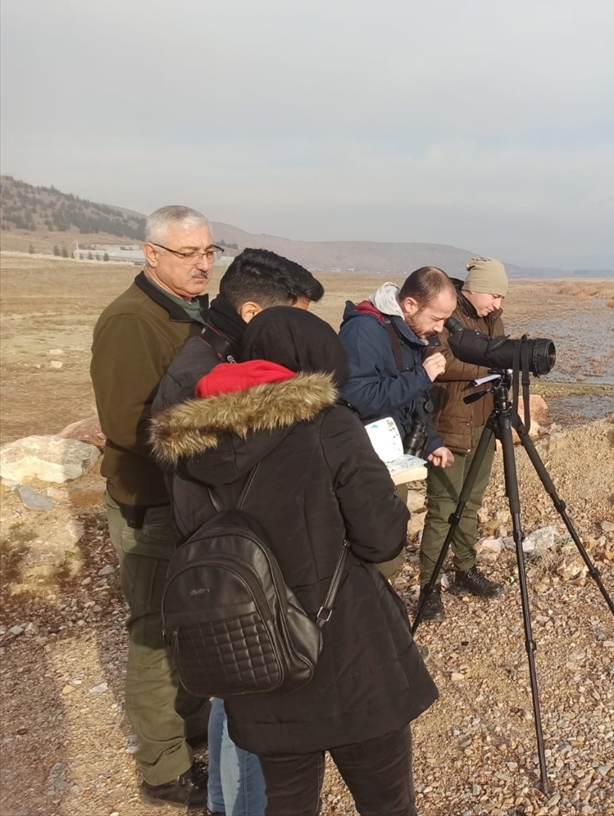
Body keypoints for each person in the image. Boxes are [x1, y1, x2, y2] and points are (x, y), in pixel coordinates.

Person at [150, 308, 438, 816]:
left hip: (254, 659)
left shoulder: (186, 447)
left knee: (286, 803)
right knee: (386, 802)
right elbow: (382, 539)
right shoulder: (330, 425)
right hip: (350, 657)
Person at [152, 246, 322, 816]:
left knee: (236, 695)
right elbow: (228, 475)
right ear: (254, 313)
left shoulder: (208, 359)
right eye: (293, 316)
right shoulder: (210, 377)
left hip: (226, 555)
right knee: (252, 707)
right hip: (234, 562)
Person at [90, 205, 216, 808]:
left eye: (209, 251)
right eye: (188, 253)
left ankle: (187, 730)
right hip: (153, 501)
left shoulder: (194, 315)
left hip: (189, 497)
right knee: (153, 631)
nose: (202, 263)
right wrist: (216, 445)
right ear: (151, 254)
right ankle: (163, 768)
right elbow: (126, 423)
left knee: (189, 623)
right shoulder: (129, 321)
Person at [338, 267, 457, 580]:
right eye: (437, 318)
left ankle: (384, 609)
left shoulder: (407, 332)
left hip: (392, 459)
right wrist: (421, 376)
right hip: (363, 463)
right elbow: (359, 396)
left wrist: (431, 442)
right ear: (410, 305)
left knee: (390, 543)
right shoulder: (364, 331)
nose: (441, 328)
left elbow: (409, 400)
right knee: (372, 548)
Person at [418, 257, 510, 623]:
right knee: (443, 508)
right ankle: (428, 586)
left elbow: (499, 352)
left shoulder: (491, 317)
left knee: (470, 504)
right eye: (494, 295)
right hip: (449, 425)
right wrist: (491, 365)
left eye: (502, 297)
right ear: (474, 288)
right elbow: (439, 363)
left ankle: (464, 569)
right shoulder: (447, 308)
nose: (498, 304)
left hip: (483, 422)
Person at [153, 247, 324, 415]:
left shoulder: (233, 350)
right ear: (251, 313)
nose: (299, 330)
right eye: (293, 320)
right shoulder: (198, 385)